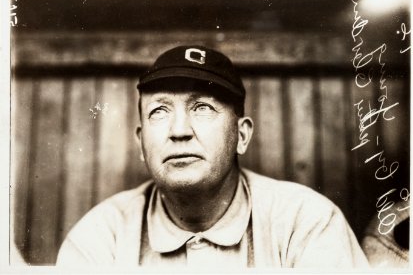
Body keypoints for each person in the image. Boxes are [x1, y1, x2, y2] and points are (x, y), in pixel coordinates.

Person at [56, 45, 369, 268]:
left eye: (202, 108)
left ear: (241, 135)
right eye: (160, 111)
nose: (179, 131)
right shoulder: (100, 236)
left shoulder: (305, 223)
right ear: (141, 144)